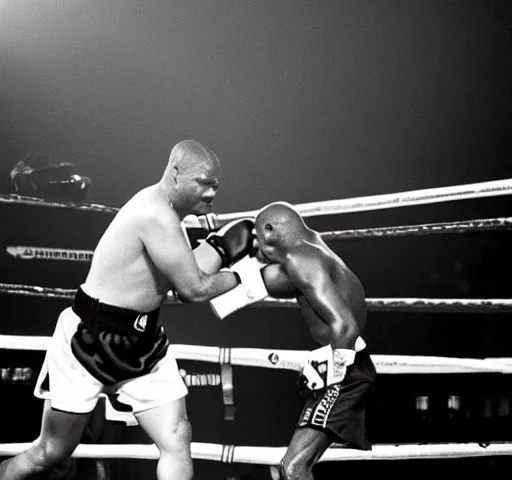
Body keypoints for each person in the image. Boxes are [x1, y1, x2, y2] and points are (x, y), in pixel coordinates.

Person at [0, 140, 261, 480]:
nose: (211, 193)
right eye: (203, 182)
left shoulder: (169, 217)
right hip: (89, 340)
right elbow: (193, 288)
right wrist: (248, 276)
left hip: (143, 342)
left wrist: (220, 247)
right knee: (51, 452)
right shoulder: (156, 215)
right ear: (176, 174)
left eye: (216, 185)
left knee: (177, 436)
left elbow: (180, 273)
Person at [215, 201, 376, 480]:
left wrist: (330, 370)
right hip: (346, 364)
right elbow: (237, 294)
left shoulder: (300, 260)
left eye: (256, 235)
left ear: (269, 229)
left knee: (293, 468)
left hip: (344, 369)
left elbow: (346, 327)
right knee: (295, 466)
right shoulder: (310, 247)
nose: (254, 243)